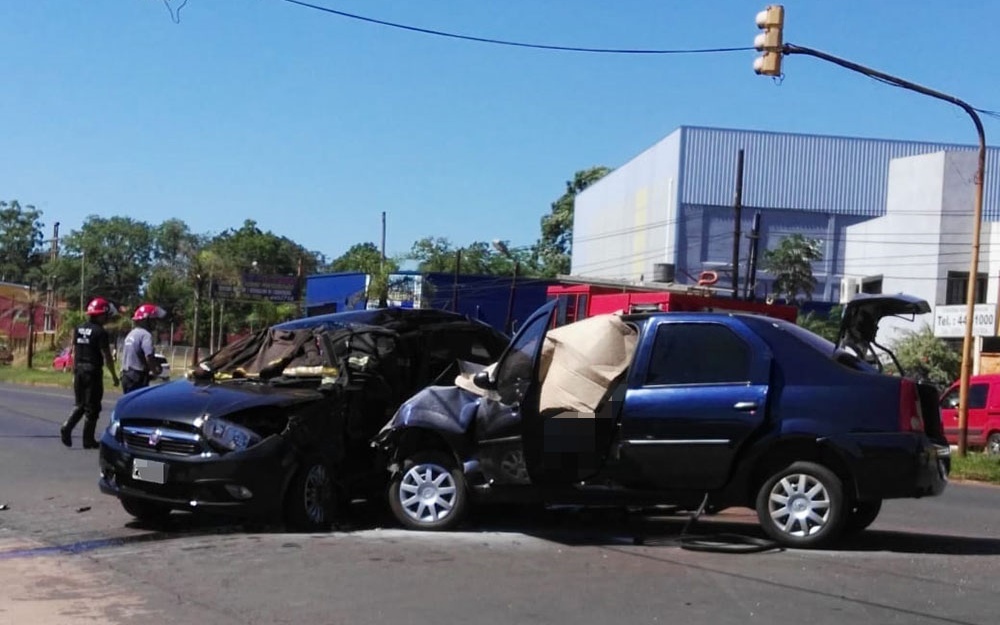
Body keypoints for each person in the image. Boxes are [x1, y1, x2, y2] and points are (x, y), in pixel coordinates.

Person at [61, 297, 120, 448]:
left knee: (80, 404)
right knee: (93, 407)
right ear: (100, 315)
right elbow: (107, 356)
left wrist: (74, 371)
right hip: (92, 372)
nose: (107, 318)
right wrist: (114, 375)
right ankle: (88, 440)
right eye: (106, 315)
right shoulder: (100, 332)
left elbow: (74, 351)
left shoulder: (79, 329)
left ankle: (67, 426)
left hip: (79, 370)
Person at [121, 303, 166, 393]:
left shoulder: (131, 333)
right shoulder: (146, 335)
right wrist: (155, 371)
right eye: (153, 320)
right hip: (137, 377)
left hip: (126, 375)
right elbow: (148, 356)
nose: (155, 323)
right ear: (146, 320)